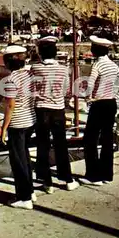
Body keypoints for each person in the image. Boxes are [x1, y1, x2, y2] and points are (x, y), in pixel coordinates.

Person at [79, 35, 119, 186]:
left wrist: (88, 97)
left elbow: (90, 84)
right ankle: (107, 175)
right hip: (111, 103)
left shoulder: (97, 65)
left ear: (95, 50)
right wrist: (116, 96)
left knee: (90, 139)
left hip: (99, 104)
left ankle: (93, 176)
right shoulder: (113, 65)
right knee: (107, 139)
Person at [31, 36, 79, 194]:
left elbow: (32, 90)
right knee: (61, 145)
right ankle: (68, 179)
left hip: (41, 109)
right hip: (58, 110)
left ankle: (47, 182)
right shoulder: (64, 69)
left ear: (41, 53)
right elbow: (66, 90)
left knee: (42, 145)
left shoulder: (35, 68)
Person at [0, 45, 36, 210]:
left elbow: (10, 106)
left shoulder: (11, 80)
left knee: (18, 161)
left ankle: (24, 197)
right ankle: (30, 190)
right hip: (31, 120)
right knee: (25, 157)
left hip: (18, 123)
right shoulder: (29, 75)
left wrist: (4, 127)